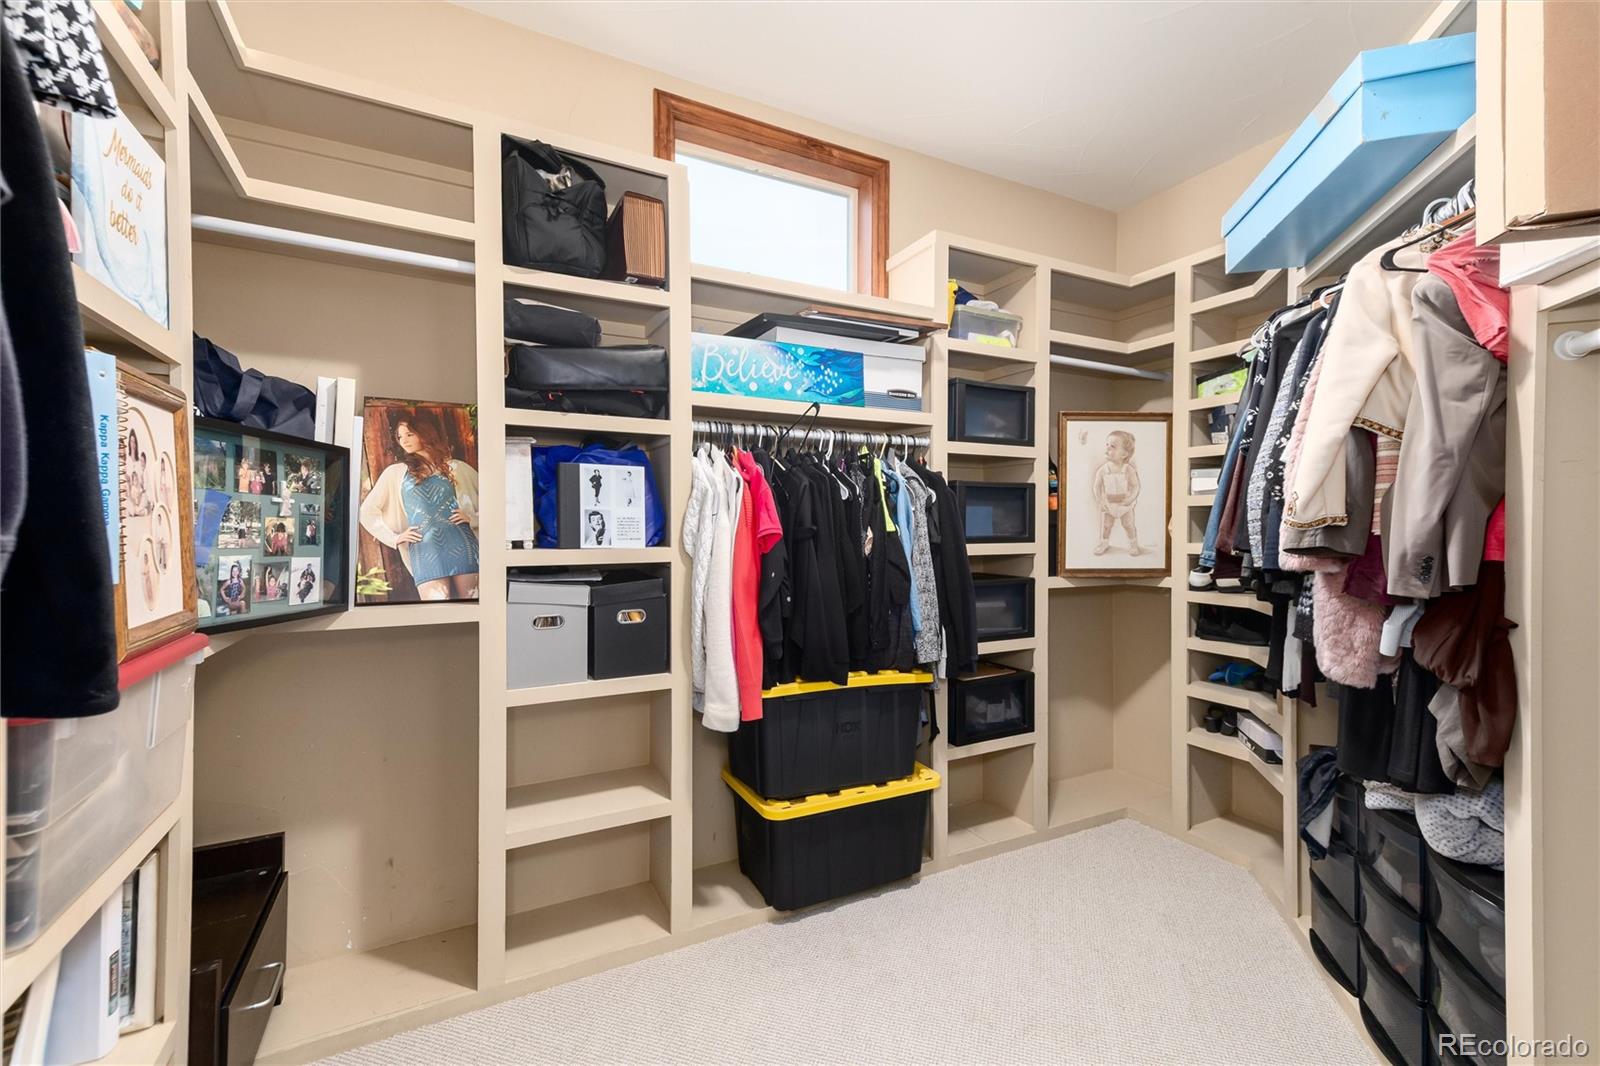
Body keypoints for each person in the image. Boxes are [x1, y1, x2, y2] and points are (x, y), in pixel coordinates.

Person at [359, 411, 480, 600]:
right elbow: (366, 512)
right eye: (399, 436)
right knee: (436, 613)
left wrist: (472, 518)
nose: (403, 441)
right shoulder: (395, 473)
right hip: (424, 549)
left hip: (462, 542)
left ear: (426, 433)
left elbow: (495, 500)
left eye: (409, 434)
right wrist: (395, 538)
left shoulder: (456, 467)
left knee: (473, 606)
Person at [1091, 429, 1143, 556]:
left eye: (1113, 446)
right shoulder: (1103, 470)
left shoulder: (1128, 469)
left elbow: (1136, 486)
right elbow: (1097, 487)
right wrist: (1100, 501)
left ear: (1124, 454)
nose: (1107, 449)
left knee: (1128, 524)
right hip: (1109, 503)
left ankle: (1133, 544)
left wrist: (1130, 499)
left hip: (1124, 503)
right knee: (1106, 525)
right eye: (1107, 445)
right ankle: (1104, 543)